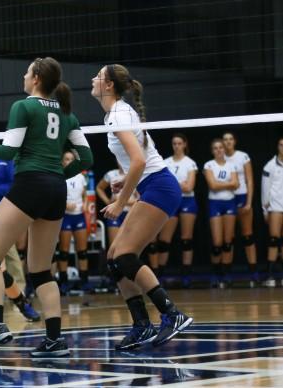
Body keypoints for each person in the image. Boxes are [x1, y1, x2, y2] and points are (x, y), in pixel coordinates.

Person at [0, 57, 92, 357]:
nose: (23, 76)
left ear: (36, 78)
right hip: (56, 189)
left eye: (27, 72)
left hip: (31, 183)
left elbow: (8, 151)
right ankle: (54, 340)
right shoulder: (67, 115)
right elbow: (86, 160)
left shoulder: (23, 107)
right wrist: (56, 176)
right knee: (41, 270)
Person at [92, 64, 191, 350]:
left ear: (109, 85)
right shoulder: (118, 112)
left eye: (98, 76)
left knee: (125, 256)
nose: (93, 79)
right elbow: (142, 159)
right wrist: (126, 181)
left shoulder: (119, 115)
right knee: (113, 259)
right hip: (154, 184)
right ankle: (142, 325)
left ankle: (172, 314)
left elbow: (138, 161)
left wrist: (120, 203)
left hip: (160, 187)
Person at [163, 134, 198, 287]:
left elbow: (189, 187)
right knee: (164, 240)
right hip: (171, 200)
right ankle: (159, 274)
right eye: (174, 143)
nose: (176, 146)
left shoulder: (190, 163)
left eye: (179, 143)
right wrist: (179, 184)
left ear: (184, 144)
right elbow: (164, 184)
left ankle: (186, 274)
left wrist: (173, 184)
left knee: (186, 239)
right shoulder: (166, 163)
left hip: (187, 200)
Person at [223, 132, 258, 284]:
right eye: (225, 139)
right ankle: (226, 275)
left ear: (234, 141)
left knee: (248, 235)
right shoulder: (220, 156)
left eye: (231, 139)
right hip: (227, 198)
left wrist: (249, 202)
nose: (228, 142)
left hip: (242, 197)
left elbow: (250, 181)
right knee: (228, 238)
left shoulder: (242, 156)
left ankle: (253, 273)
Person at [204, 138, 239, 287]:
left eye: (221, 148)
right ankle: (216, 273)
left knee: (228, 241)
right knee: (217, 243)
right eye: (215, 148)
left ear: (225, 149)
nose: (219, 150)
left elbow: (236, 184)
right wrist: (228, 184)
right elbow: (212, 185)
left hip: (229, 202)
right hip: (215, 204)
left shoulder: (231, 165)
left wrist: (221, 184)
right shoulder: (209, 165)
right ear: (212, 151)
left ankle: (226, 274)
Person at [261, 137, 283, 286]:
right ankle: (270, 275)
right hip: (275, 206)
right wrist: (265, 209)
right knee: (274, 239)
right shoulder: (269, 166)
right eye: (281, 145)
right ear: (277, 147)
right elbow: (265, 188)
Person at [59, 151, 90, 294]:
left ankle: (84, 281)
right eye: (66, 159)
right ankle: (63, 282)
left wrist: (85, 203)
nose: (69, 161)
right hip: (65, 216)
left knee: (82, 252)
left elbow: (85, 193)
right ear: (62, 161)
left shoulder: (81, 177)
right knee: (64, 252)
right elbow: (54, 195)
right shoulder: (59, 176)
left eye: (71, 159)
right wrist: (64, 205)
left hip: (78, 215)